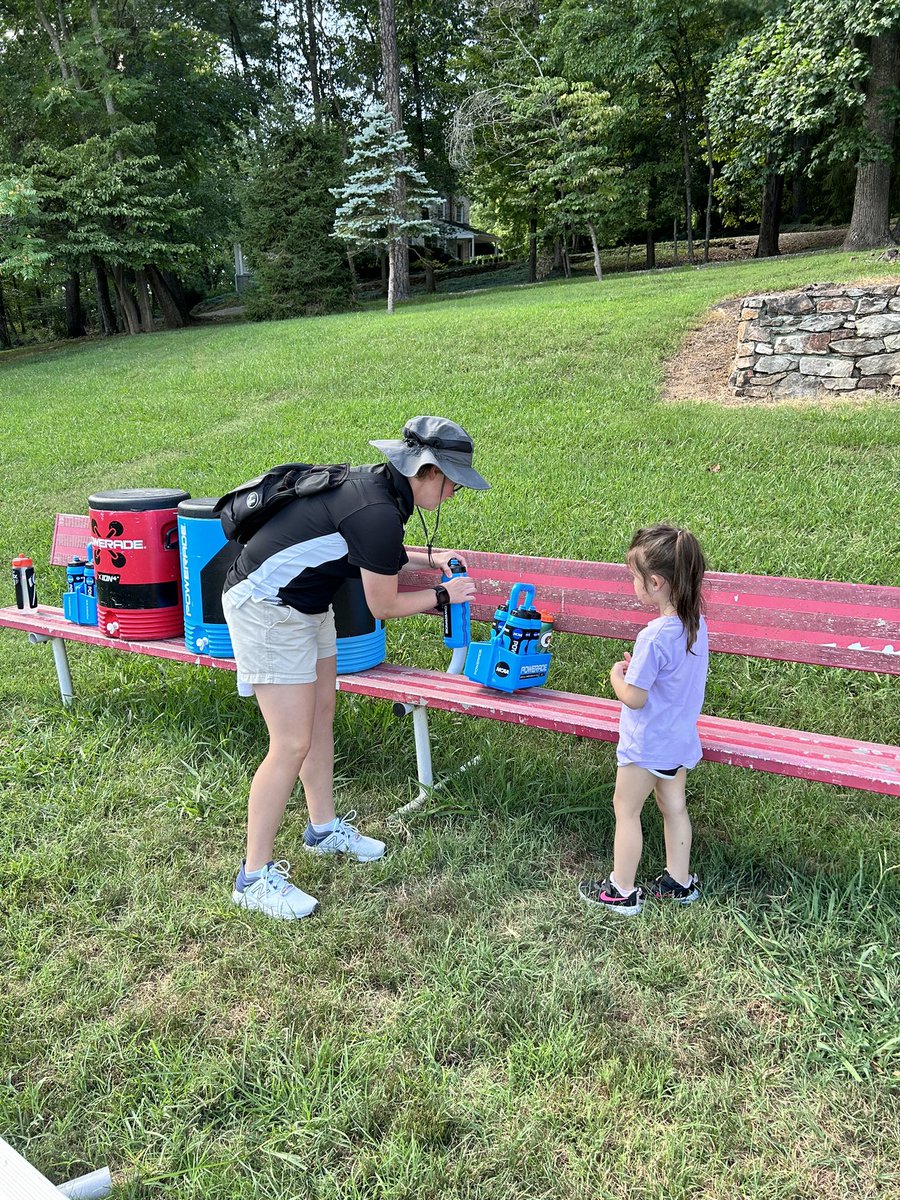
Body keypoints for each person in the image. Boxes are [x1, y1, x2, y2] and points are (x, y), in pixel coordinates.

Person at [222, 416, 489, 920]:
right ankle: (252, 877)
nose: (455, 491)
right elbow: (383, 604)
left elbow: (368, 550)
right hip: (266, 607)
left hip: (306, 605)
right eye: (452, 479)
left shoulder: (378, 492)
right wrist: (441, 594)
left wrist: (427, 558)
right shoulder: (378, 511)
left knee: (320, 720)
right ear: (427, 471)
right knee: (290, 742)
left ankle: (322, 830)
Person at [579, 524, 708, 916]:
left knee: (627, 809)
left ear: (655, 583)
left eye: (634, 578)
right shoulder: (696, 624)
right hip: (679, 740)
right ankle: (679, 883)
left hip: (646, 744)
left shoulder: (653, 636)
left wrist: (617, 676)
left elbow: (635, 698)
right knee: (674, 808)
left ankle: (621, 890)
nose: (632, 584)